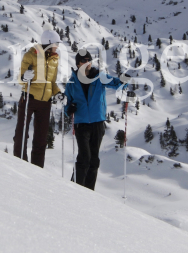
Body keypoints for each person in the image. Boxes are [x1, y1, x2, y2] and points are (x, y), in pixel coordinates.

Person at [63, 48, 131, 190]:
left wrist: (124, 81)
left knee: (94, 159)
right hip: (81, 124)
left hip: (97, 123)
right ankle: (75, 188)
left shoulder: (99, 76)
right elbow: (67, 104)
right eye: (83, 61)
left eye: (89, 60)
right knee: (84, 158)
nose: (87, 63)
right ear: (78, 64)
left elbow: (115, 83)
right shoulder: (72, 82)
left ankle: (89, 192)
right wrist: (69, 110)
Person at [13, 29, 63, 167]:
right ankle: (19, 163)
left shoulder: (54, 59)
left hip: (45, 103)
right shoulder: (31, 55)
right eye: (55, 43)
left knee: (41, 139)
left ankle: (37, 169)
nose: (57, 46)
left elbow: (52, 83)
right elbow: (20, 78)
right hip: (29, 98)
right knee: (21, 134)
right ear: (48, 43)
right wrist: (24, 77)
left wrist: (58, 93)